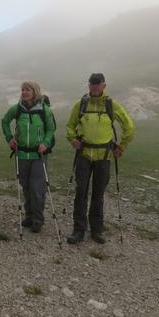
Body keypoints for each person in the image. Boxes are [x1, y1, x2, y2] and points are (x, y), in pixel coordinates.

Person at [65, 73, 134, 244]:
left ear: (104, 86)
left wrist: (122, 146)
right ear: (88, 85)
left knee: (98, 193)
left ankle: (96, 230)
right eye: (92, 84)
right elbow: (70, 125)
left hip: (104, 155)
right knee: (81, 192)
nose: (95, 87)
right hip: (84, 154)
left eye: (98, 84)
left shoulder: (111, 105)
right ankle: (79, 230)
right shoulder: (81, 104)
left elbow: (129, 126)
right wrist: (72, 139)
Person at [1, 81, 55, 233]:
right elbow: (5, 121)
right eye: (23, 90)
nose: (24, 92)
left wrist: (45, 142)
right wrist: (9, 138)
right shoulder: (17, 109)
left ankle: (38, 220)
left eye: (28, 90)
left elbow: (51, 130)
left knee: (37, 188)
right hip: (22, 153)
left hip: (39, 155)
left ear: (35, 92)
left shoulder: (45, 110)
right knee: (26, 186)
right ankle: (29, 216)